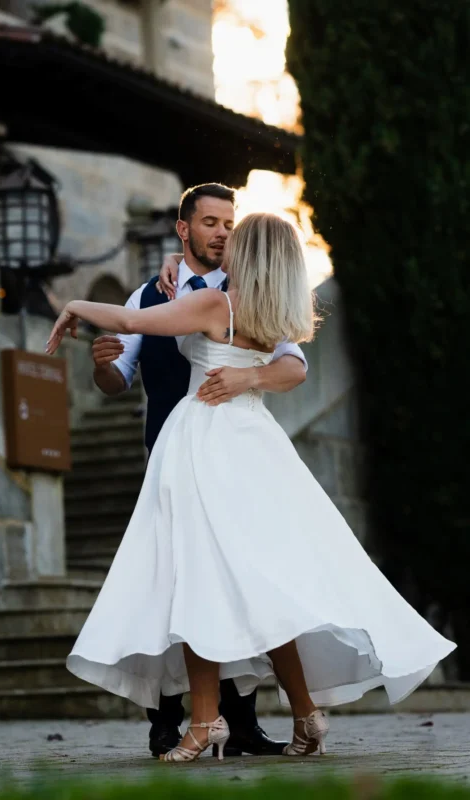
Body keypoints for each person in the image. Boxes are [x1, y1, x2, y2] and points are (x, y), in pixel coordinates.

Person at [47, 211, 456, 763]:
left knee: (194, 574)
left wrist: (73, 305)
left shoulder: (216, 305)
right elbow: (290, 366)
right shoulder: (271, 312)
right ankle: (305, 716)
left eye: (234, 237)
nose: (225, 242)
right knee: (258, 587)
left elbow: (130, 318)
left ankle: (204, 722)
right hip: (255, 444)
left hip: (205, 442)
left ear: (252, 253)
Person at [89, 184, 308, 759]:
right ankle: (170, 720)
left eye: (230, 225)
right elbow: (118, 381)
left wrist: (248, 378)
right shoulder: (150, 292)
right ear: (183, 229)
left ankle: (235, 722)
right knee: (171, 579)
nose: (221, 233)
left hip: (225, 453)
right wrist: (104, 367)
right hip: (169, 452)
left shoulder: (246, 290)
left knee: (219, 578)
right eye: (210, 222)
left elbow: (294, 361)